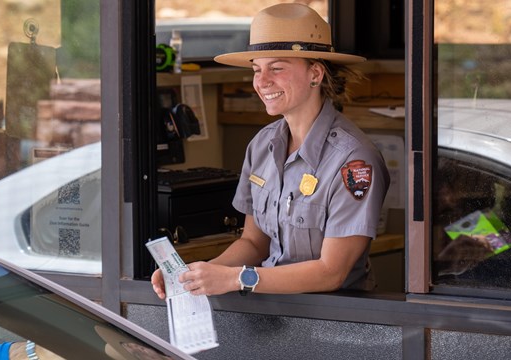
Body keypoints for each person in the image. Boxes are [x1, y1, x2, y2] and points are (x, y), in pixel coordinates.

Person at [151, 3, 390, 298]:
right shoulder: (263, 145)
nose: (262, 82)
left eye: (276, 68)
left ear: (315, 74)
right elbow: (254, 243)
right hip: (271, 310)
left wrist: (238, 278)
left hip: (333, 319)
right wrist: (195, 276)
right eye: (256, 70)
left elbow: (332, 272)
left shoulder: (353, 159)